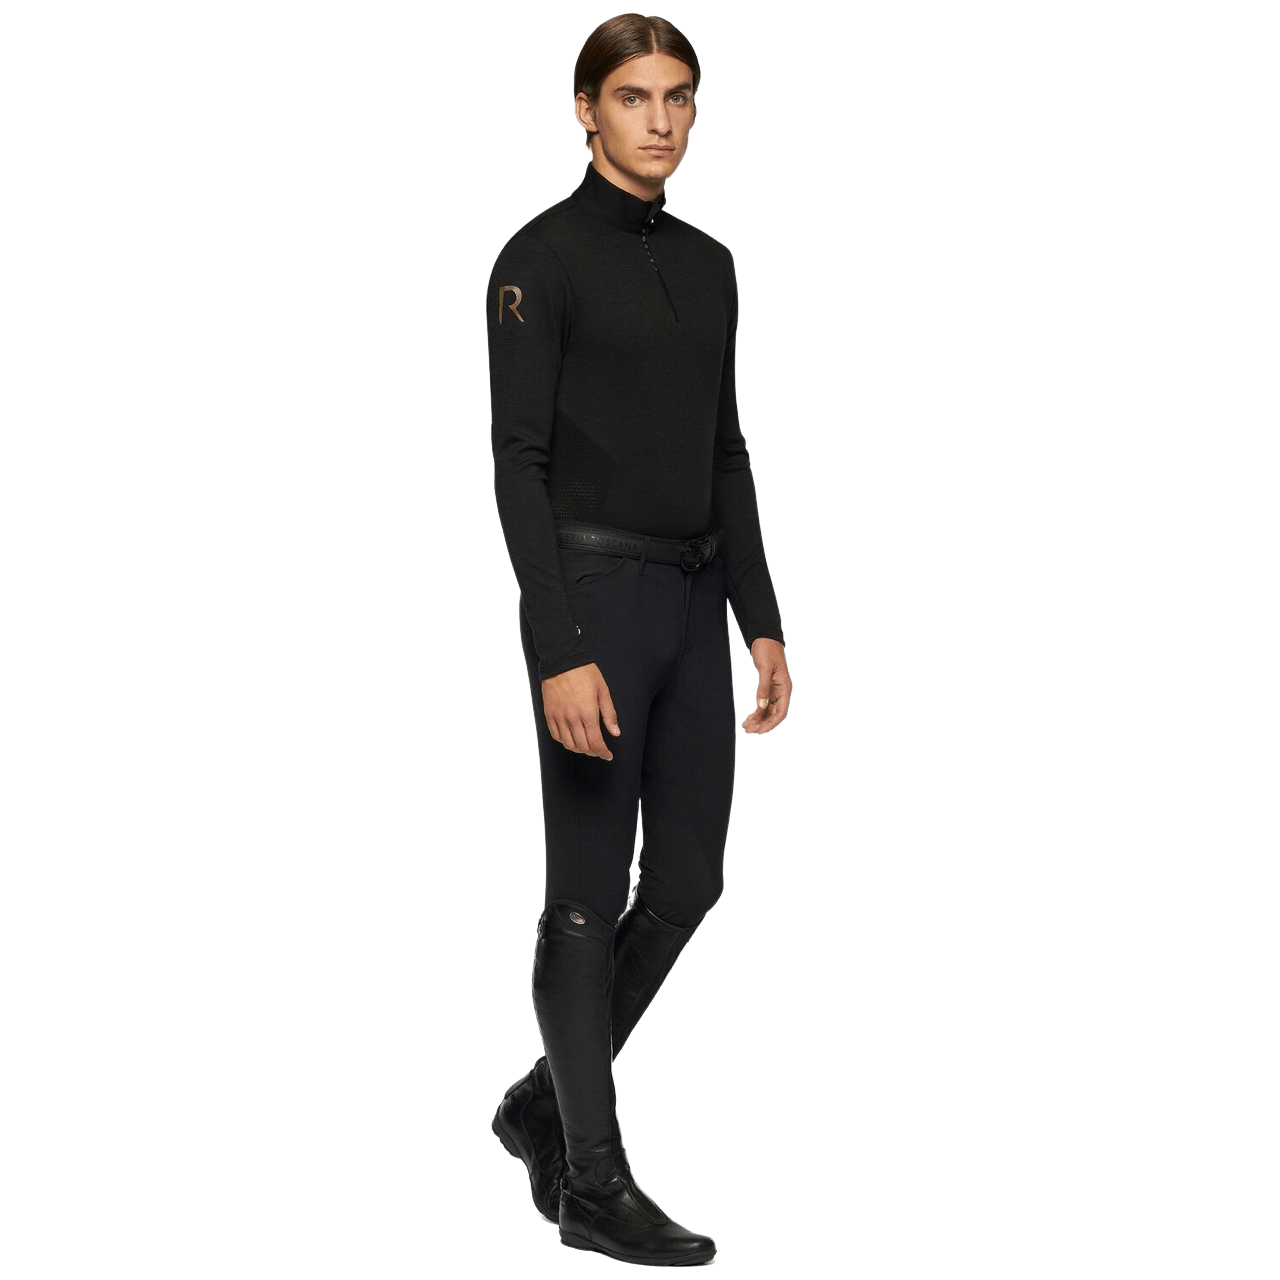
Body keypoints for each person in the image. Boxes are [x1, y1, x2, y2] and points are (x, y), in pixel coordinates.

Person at [485, 13, 791, 1268]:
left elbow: (726, 447)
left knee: (686, 885)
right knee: (581, 892)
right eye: (631, 97)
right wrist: (556, 644)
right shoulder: (538, 259)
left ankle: (539, 1101)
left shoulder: (712, 263)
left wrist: (761, 620)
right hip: (595, 598)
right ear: (584, 110)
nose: (659, 121)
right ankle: (592, 1181)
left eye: (677, 97)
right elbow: (515, 463)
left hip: (693, 594)